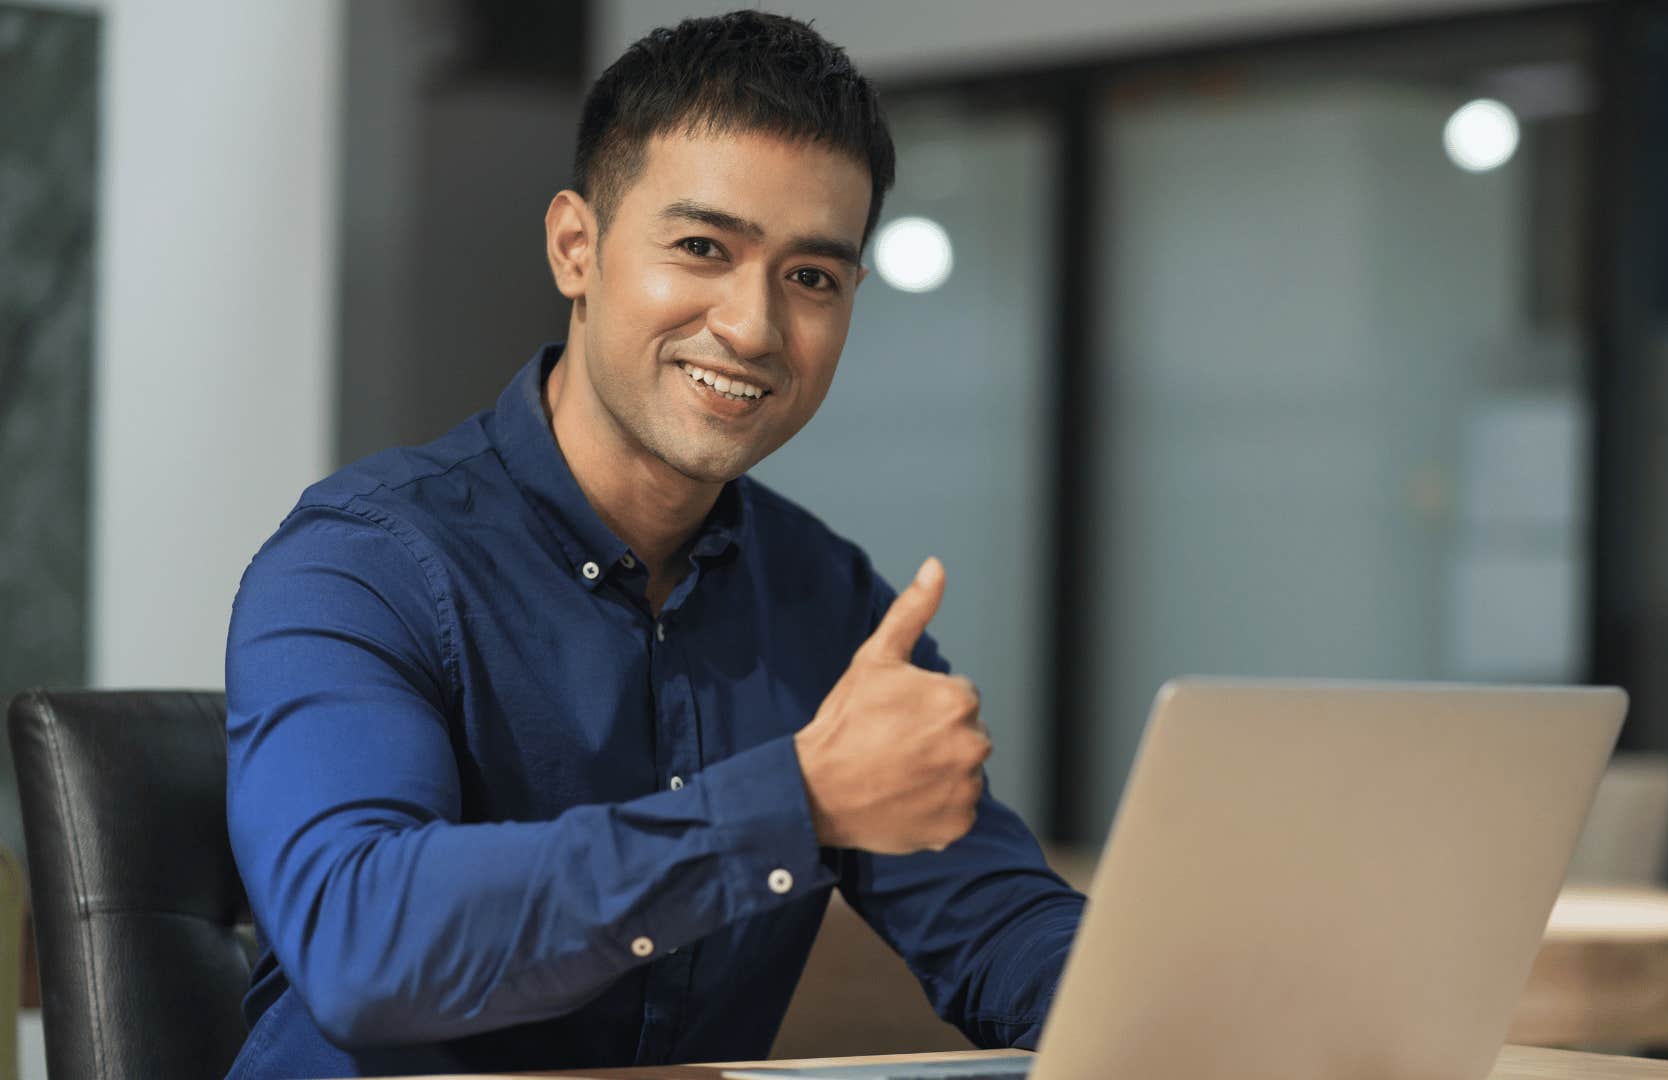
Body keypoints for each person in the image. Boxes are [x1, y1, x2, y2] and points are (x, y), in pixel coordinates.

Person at [222, 11, 1085, 1078]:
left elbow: (1000, 931)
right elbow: (364, 946)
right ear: (575, 247)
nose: (756, 327)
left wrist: (1205, 1003)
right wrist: (796, 801)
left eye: (812, 277)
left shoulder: (829, 605)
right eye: (702, 249)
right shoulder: (363, 564)